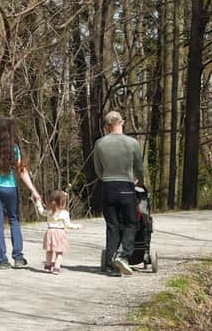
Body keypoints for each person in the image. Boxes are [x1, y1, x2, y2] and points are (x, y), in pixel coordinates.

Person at [0, 116, 41, 269]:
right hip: (9, 187)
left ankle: (2, 260)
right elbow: (21, 171)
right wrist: (33, 190)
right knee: (14, 220)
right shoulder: (14, 148)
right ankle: (18, 257)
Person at [93, 110, 144, 276]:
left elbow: (98, 170)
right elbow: (139, 167)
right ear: (122, 123)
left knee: (112, 226)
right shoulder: (132, 143)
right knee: (131, 223)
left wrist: (106, 178)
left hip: (107, 186)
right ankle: (123, 255)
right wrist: (140, 181)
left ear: (107, 127)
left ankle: (112, 266)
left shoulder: (100, 143)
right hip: (126, 186)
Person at [34, 189, 83, 274]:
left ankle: (48, 266)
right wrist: (78, 226)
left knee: (49, 250)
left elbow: (41, 212)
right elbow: (68, 225)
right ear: (63, 203)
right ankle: (56, 268)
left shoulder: (49, 211)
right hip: (60, 233)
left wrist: (38, 203)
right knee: (59, 252)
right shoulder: (65, 213)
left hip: (50, 232)